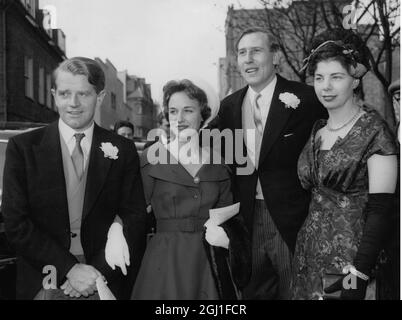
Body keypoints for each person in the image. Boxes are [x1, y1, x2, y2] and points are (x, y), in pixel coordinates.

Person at [1, 57, 147, 300]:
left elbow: (135, 216)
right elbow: (16, 222)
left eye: (84, 94)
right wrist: (69, 269)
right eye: (65, 93)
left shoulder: (122, 149)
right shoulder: (23, 148)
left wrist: (95, 273)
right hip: (43, 278)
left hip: (102, 279)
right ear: (54, 95)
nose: (73, 103)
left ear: (99, 98)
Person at [209, 27, 327, 299]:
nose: (248, 59)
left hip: (294, 224)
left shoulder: (307, 99)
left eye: (256, 51)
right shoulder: (228, 108)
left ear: (275, 57)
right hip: (247, 225)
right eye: (242, 53)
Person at [291, 29, 398, 300]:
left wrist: (359, 273)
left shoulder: (374, 131)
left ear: (354, 80)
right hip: (308, 258)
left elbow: (380, 209)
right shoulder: (316, 131)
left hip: (352, 263)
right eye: (319, 78)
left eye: (336, 77)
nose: (326, 86)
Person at [127, 79, 251, 299]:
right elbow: (133, 212)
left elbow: (230, 216)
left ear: (202, 114)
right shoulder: (151, 159)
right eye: (173, 111)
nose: (179, 119)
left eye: (188, 110)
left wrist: (228, 236)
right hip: (166, 260)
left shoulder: (219, 163)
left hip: (210, 261)